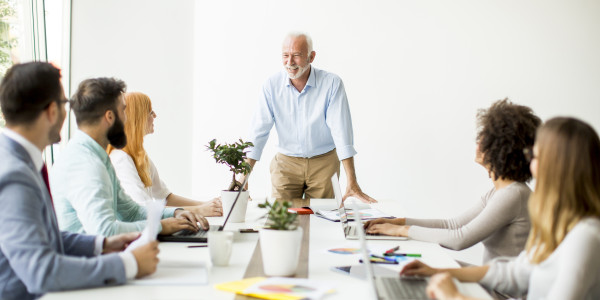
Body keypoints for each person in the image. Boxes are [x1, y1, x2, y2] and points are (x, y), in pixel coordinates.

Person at [0, 62, 159, 300]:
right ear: (52, 111)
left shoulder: (19, 158)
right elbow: (41, 272)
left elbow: (44, 235)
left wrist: (101, 244)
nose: (69, 113)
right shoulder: (14, 175)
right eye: (65, 104)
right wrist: (128, 264)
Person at [401, 117, 600, 300]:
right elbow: (514, 273)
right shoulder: (557, 224)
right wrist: (439, 271)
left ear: (556, 165)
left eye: (535, 155)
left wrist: (455, 297)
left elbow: (459, 236)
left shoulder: (585, 237)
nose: (530, 163)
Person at [365, 99, 541, 263]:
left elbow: (459, 239)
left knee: (416, 266)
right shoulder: (500, 192)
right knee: (418, 264)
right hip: (490, 281)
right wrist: (398, 222)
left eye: (484, 137)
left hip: (500, 294)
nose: (478, 142)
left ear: (501, 149)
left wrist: (400, 231)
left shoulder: (513, 194)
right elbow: (452, 225)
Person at [51, 77, 209, 237]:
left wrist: (175, 213)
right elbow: (105, 231)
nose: (127, 118)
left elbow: (131, 212)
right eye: (123, 110)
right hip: (89, 258)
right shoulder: (87, 163)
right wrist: (161, 226)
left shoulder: (98, 156)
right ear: (110, 117)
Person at [244, 31, 375, 203]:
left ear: (311, 57)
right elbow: (258, 132)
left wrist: (352, 181)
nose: (290, 62)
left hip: (324, 164)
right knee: (281, 219)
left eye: (297, 55)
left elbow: (341, 132)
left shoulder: (332, 84)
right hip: (285, 164)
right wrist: (243, 178)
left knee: (324, 217)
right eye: (285, 55)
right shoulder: (271, 85)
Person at [107, 92, 222, 216]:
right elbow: (142, 208)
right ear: (138, 118)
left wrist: (205, 204)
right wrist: (200, 210)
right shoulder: (121, 159)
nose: (155, 115)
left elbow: (165, 197)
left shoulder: (141, 157)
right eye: (150, 112)